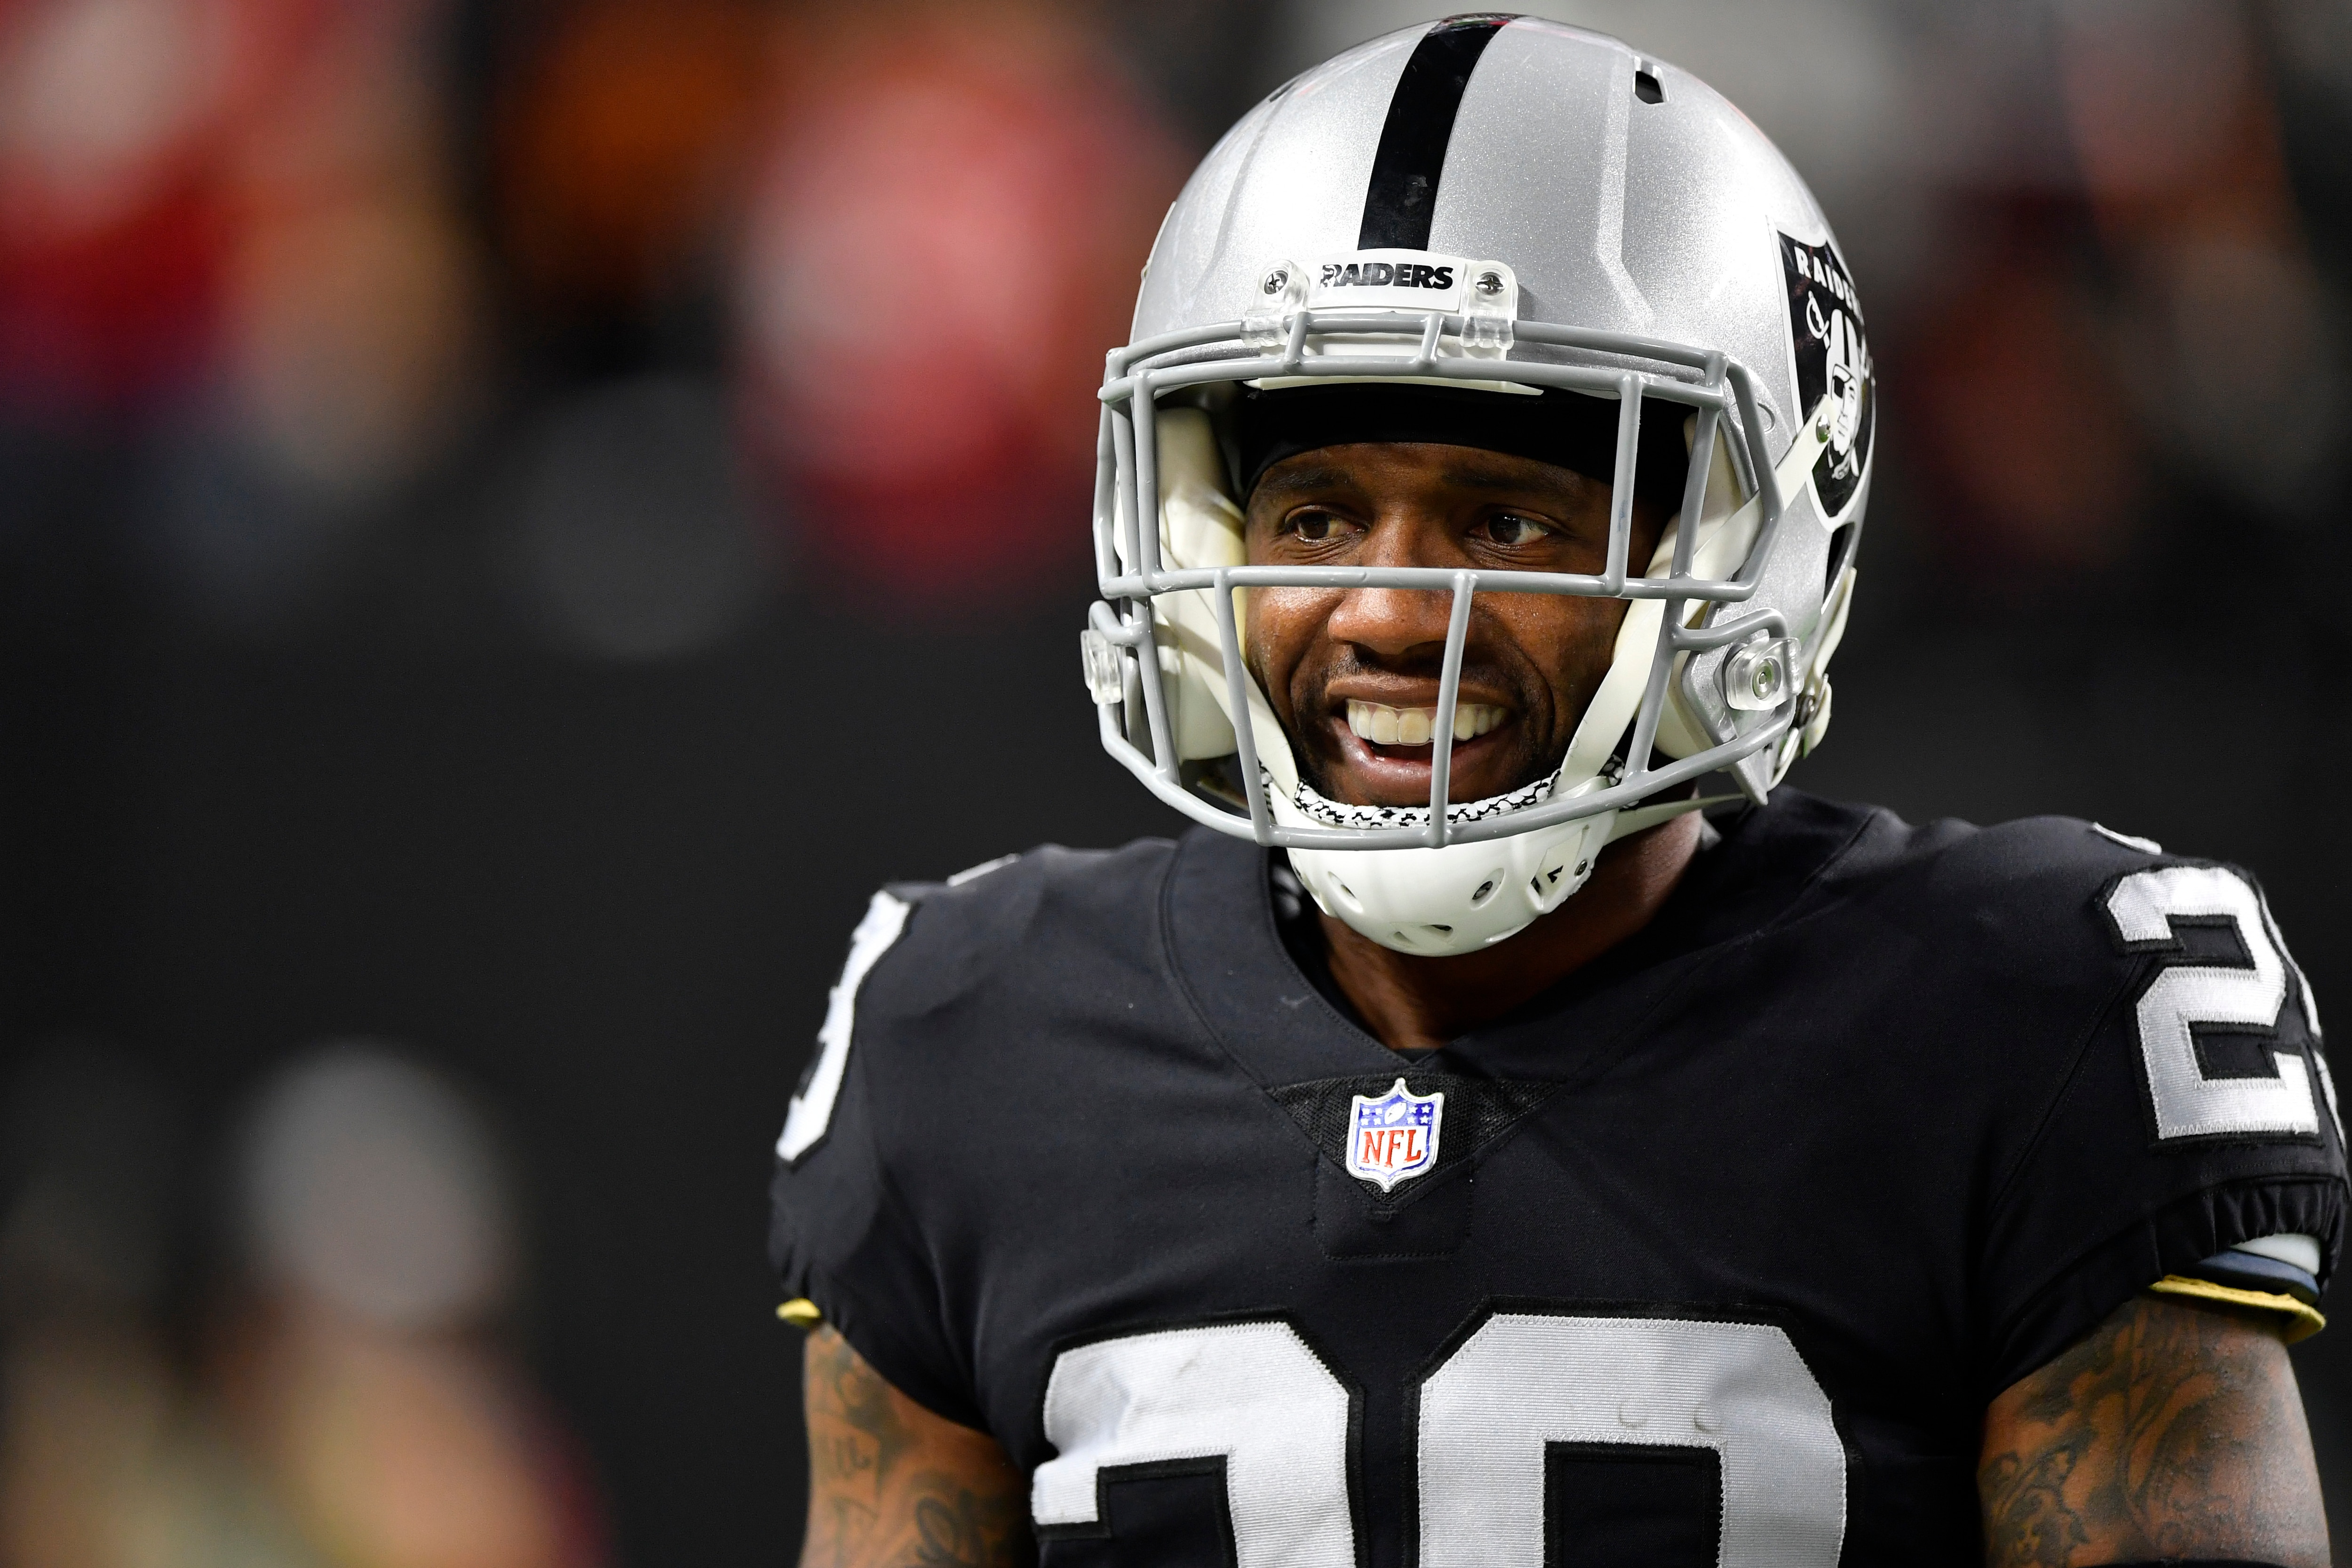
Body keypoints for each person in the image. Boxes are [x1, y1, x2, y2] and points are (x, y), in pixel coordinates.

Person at [768, 16, 2344, 1567]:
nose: (1387, 613)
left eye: (1508, 524)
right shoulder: (971, 1037)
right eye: (1314, 519)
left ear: (1749, 546)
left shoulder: (2029, 1015)